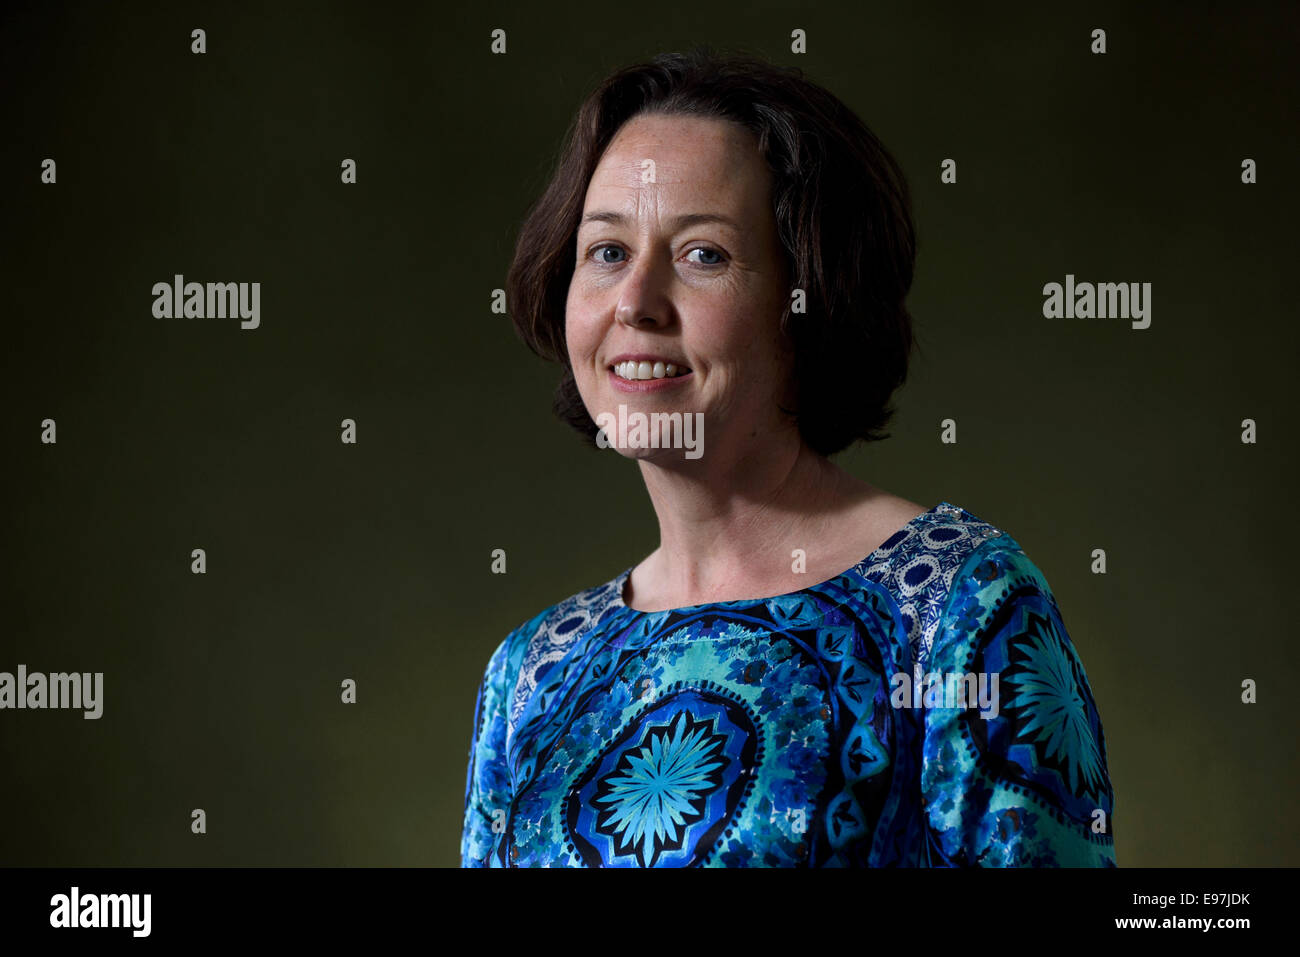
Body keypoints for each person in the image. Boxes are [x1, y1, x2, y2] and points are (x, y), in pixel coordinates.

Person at [461, 47, 1117, 867]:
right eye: (607, 252)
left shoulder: (957, 606)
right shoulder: (531, 670)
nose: (635, 302)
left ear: (808, 300)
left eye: (703, 254)